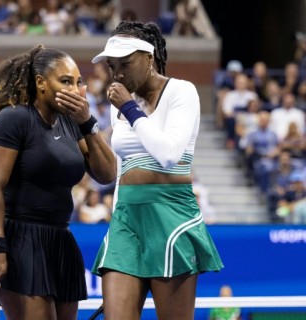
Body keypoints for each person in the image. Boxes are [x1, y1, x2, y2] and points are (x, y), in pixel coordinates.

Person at [0, 44, 116, 320]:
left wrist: (87, 122)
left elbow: (107, 173)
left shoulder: (72, 123)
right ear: (41, 83)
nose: (74, 89)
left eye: (78, 82)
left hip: (60, 239)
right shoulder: (13, 119)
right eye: (65, 81)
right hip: (18, 241)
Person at [89, 20, 224, 320]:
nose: (118, 74)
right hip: (126, 220)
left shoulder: (182, 92)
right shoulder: (119, 104)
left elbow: (169, 155)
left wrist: (130, 108)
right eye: (112, 66)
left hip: (171, 218)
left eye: (125, 63)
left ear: (149, 59)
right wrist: (116, 218)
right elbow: (123, 168)